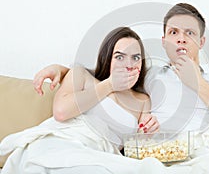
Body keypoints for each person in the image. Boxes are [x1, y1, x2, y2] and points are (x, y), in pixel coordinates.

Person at [32, 3, 209, 173]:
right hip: (159, 157)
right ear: (164, 41)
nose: (181, 38)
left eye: (190, 33)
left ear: (202, 41)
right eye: (174, 32)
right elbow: (105, 74)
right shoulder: (149, 75)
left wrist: (198, 84)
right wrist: (63, 70)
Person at [0, 27, 159, 174]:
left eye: (135, 58)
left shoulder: (142, 100)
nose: (129, 65)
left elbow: (138, 148)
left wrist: (149, 132)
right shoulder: (81, 75)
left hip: (100, 156)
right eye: (120, 57)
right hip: (61, 142)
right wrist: (110, 85)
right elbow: (61, 112)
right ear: (107, 58)